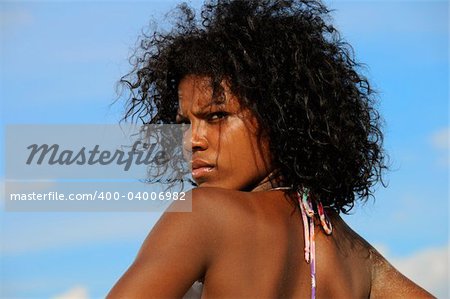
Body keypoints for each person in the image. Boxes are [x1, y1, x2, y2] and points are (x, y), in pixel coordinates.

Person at [107, 0, 434, 297]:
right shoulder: (357, 255)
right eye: (184, 123)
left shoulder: (205, 213)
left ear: (280, 115)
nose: (192, 140)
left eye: (217, 116)